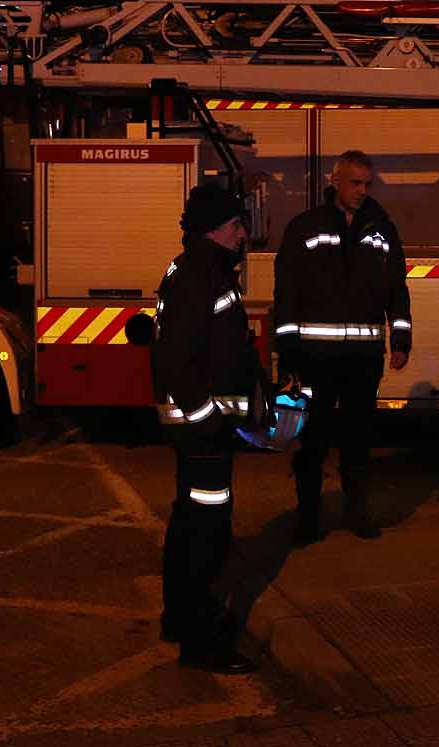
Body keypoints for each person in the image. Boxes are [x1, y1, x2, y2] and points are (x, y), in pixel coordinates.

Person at [274, 151, 411, 546]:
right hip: (314, 359)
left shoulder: (382, 230)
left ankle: (358, 513)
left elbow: (397, 289)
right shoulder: (305, 227)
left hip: (362, 361)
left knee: (357, 441)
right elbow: (287, 293)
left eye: (367, 184)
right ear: (335, 181)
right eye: (355, 183)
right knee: (312, 442)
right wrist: (288, 353)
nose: (362, 191)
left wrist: (400, 340)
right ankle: (308, 518)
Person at [150, 185, 261, 674]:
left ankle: (179, 620)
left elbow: (223, 348)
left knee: (187, 527)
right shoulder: (201, 277)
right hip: (204, 436)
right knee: (207, 537)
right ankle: (201, 644)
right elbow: (176, 360)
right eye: (238, 224)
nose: (244, 233)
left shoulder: (201, 269)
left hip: (201, 432)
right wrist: (210, 420)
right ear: (217, 227)